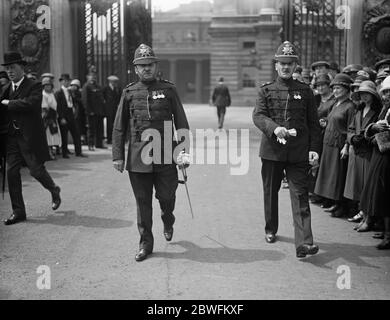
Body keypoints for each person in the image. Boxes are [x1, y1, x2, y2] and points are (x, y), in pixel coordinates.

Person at [112, 44, 190, 262]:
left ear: (156, 66)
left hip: (165, 153)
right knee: (143, 202)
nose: (146, 69)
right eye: (142, 66)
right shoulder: (128, 92)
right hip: (138, 158)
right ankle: (146, 243)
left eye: (150, 65)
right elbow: (119, 126)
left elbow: (181, 123)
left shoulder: (169, 90)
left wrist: (183, 153)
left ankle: (168, 218)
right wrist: (117, 155)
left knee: (167, 196)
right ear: (135, 69)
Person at [252, 41, 322, 259]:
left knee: (300, 196)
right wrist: (275, 129)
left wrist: (314, 149)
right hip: (272, 151)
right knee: (270, 192)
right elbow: (258, 116)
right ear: (276, 65)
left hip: (298, 152)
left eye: (290, 63)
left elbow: (313, 124)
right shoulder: (266, 90)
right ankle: (271, 228)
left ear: (295, 66)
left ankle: (304, 243)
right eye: (282, 63)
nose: (286, 67)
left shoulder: (305, 91)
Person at [0, 51, 61, 225]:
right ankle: (18, 212)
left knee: (36, 170)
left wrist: (8, 103)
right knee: (11, 172)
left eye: (13, 68)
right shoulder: (6, 89)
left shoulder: (34, 85)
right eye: (8, 68)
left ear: (22, 68)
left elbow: (30, 104)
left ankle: (54, 189)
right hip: (12, 137)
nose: (10, 71)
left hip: (29, 137)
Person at [314, 73, 355, 218]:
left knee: (338, 175)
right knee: (331, 174)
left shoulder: (350, 106)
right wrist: (325, 121)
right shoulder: (336, 104)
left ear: (346, 89)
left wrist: (346, 146)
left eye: (339, 88)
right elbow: (332, 119)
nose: (336, 91)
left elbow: (351, 127)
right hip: (328, 143)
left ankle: (342, 205)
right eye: (335, 88)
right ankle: (334, 202)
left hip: (339, 144)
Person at [345, 81, 381, 229]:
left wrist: (366, 136)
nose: (364, 97)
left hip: (369, 152)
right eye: (362, 94)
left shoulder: (378, 111)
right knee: (358, 185)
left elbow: (379, 132)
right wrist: (351, 138)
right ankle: (363, 216)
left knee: (368, 186)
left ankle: (368, 219)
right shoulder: (359, 110)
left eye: (367, 94)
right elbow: (351, 128)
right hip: (357, 151)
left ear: (373, 94)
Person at [359, 75, 390, 249]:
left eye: (389, 92)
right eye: (384, 92)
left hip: (387, 155)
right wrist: (374, 129)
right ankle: (384, 230)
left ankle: (388, 234)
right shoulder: (385, 109)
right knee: (381, 195)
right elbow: (372, 129)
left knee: (385, 196)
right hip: (381, 155)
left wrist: (378, 133)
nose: (386, 96)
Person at [55, 74, 86, 158]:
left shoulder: (70, 91)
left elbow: (75, 100)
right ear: (61, 82)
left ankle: (78, 152)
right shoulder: (58, 93)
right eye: (64, 81)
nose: (66, 82)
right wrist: (61, 117)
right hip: (64, 115)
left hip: (71, 113)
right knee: (64, 135)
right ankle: (64, 153)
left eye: (68, 81)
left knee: (76, 133)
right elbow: (58, 107)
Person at [82, 72, 106, 151]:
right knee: (91, 129)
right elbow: (85, 100)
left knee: (99, 128)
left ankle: (98, 144)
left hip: (99, 111)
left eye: (94, 76)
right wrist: (89, 111)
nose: (93, 78)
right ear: (87, 77)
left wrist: (102, 110)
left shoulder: (98, 86)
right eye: (91, 76)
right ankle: (91, 144)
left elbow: (101, 99)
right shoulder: (86, 86)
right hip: (91, 112)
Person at [41, 76, 62, 160]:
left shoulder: (52, 94)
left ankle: (53, 151)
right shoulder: (43, 95)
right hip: (47, 117)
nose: (48, 87)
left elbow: (55, 105)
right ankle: (48, 153)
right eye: (46, 85)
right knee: (48, 136)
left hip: (53, 117)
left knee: (54, 135)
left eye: (49, 85)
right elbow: (45, 108)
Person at [103, 75, 121, 144]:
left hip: (115, 108)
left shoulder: (117, 89)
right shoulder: (105, 88)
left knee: (115, 124)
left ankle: (114, 138)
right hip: (108, 109)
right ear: (110, 81)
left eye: (114, 82)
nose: (113, 83)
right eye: (112, 81)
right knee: (109, 124)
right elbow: (103, 97)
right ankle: (109, 138)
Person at [69, 79, 87, 146]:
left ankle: (82, 140)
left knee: (81, 127)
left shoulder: (80, 93)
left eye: (75, 86)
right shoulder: (70, 93)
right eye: (72, 86)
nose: (74, 87)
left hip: (80, 113)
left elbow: (82, 101)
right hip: (73, 113)